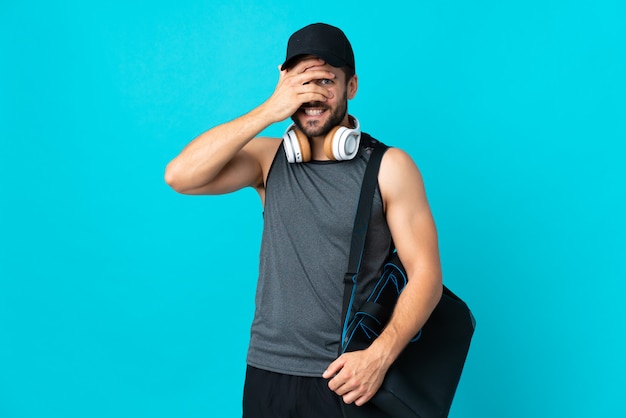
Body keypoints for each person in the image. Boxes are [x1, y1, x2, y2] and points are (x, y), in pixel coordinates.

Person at [165, 23, 443, 418]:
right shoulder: (268, 160)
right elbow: (180, 176)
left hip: (346, 378)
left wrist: (379, 357)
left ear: (352, 87)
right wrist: (268, 109)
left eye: (326, 81)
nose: (312, 95)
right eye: (301, 82)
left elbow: (426, 275)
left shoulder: (389, 167)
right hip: (266, 373)